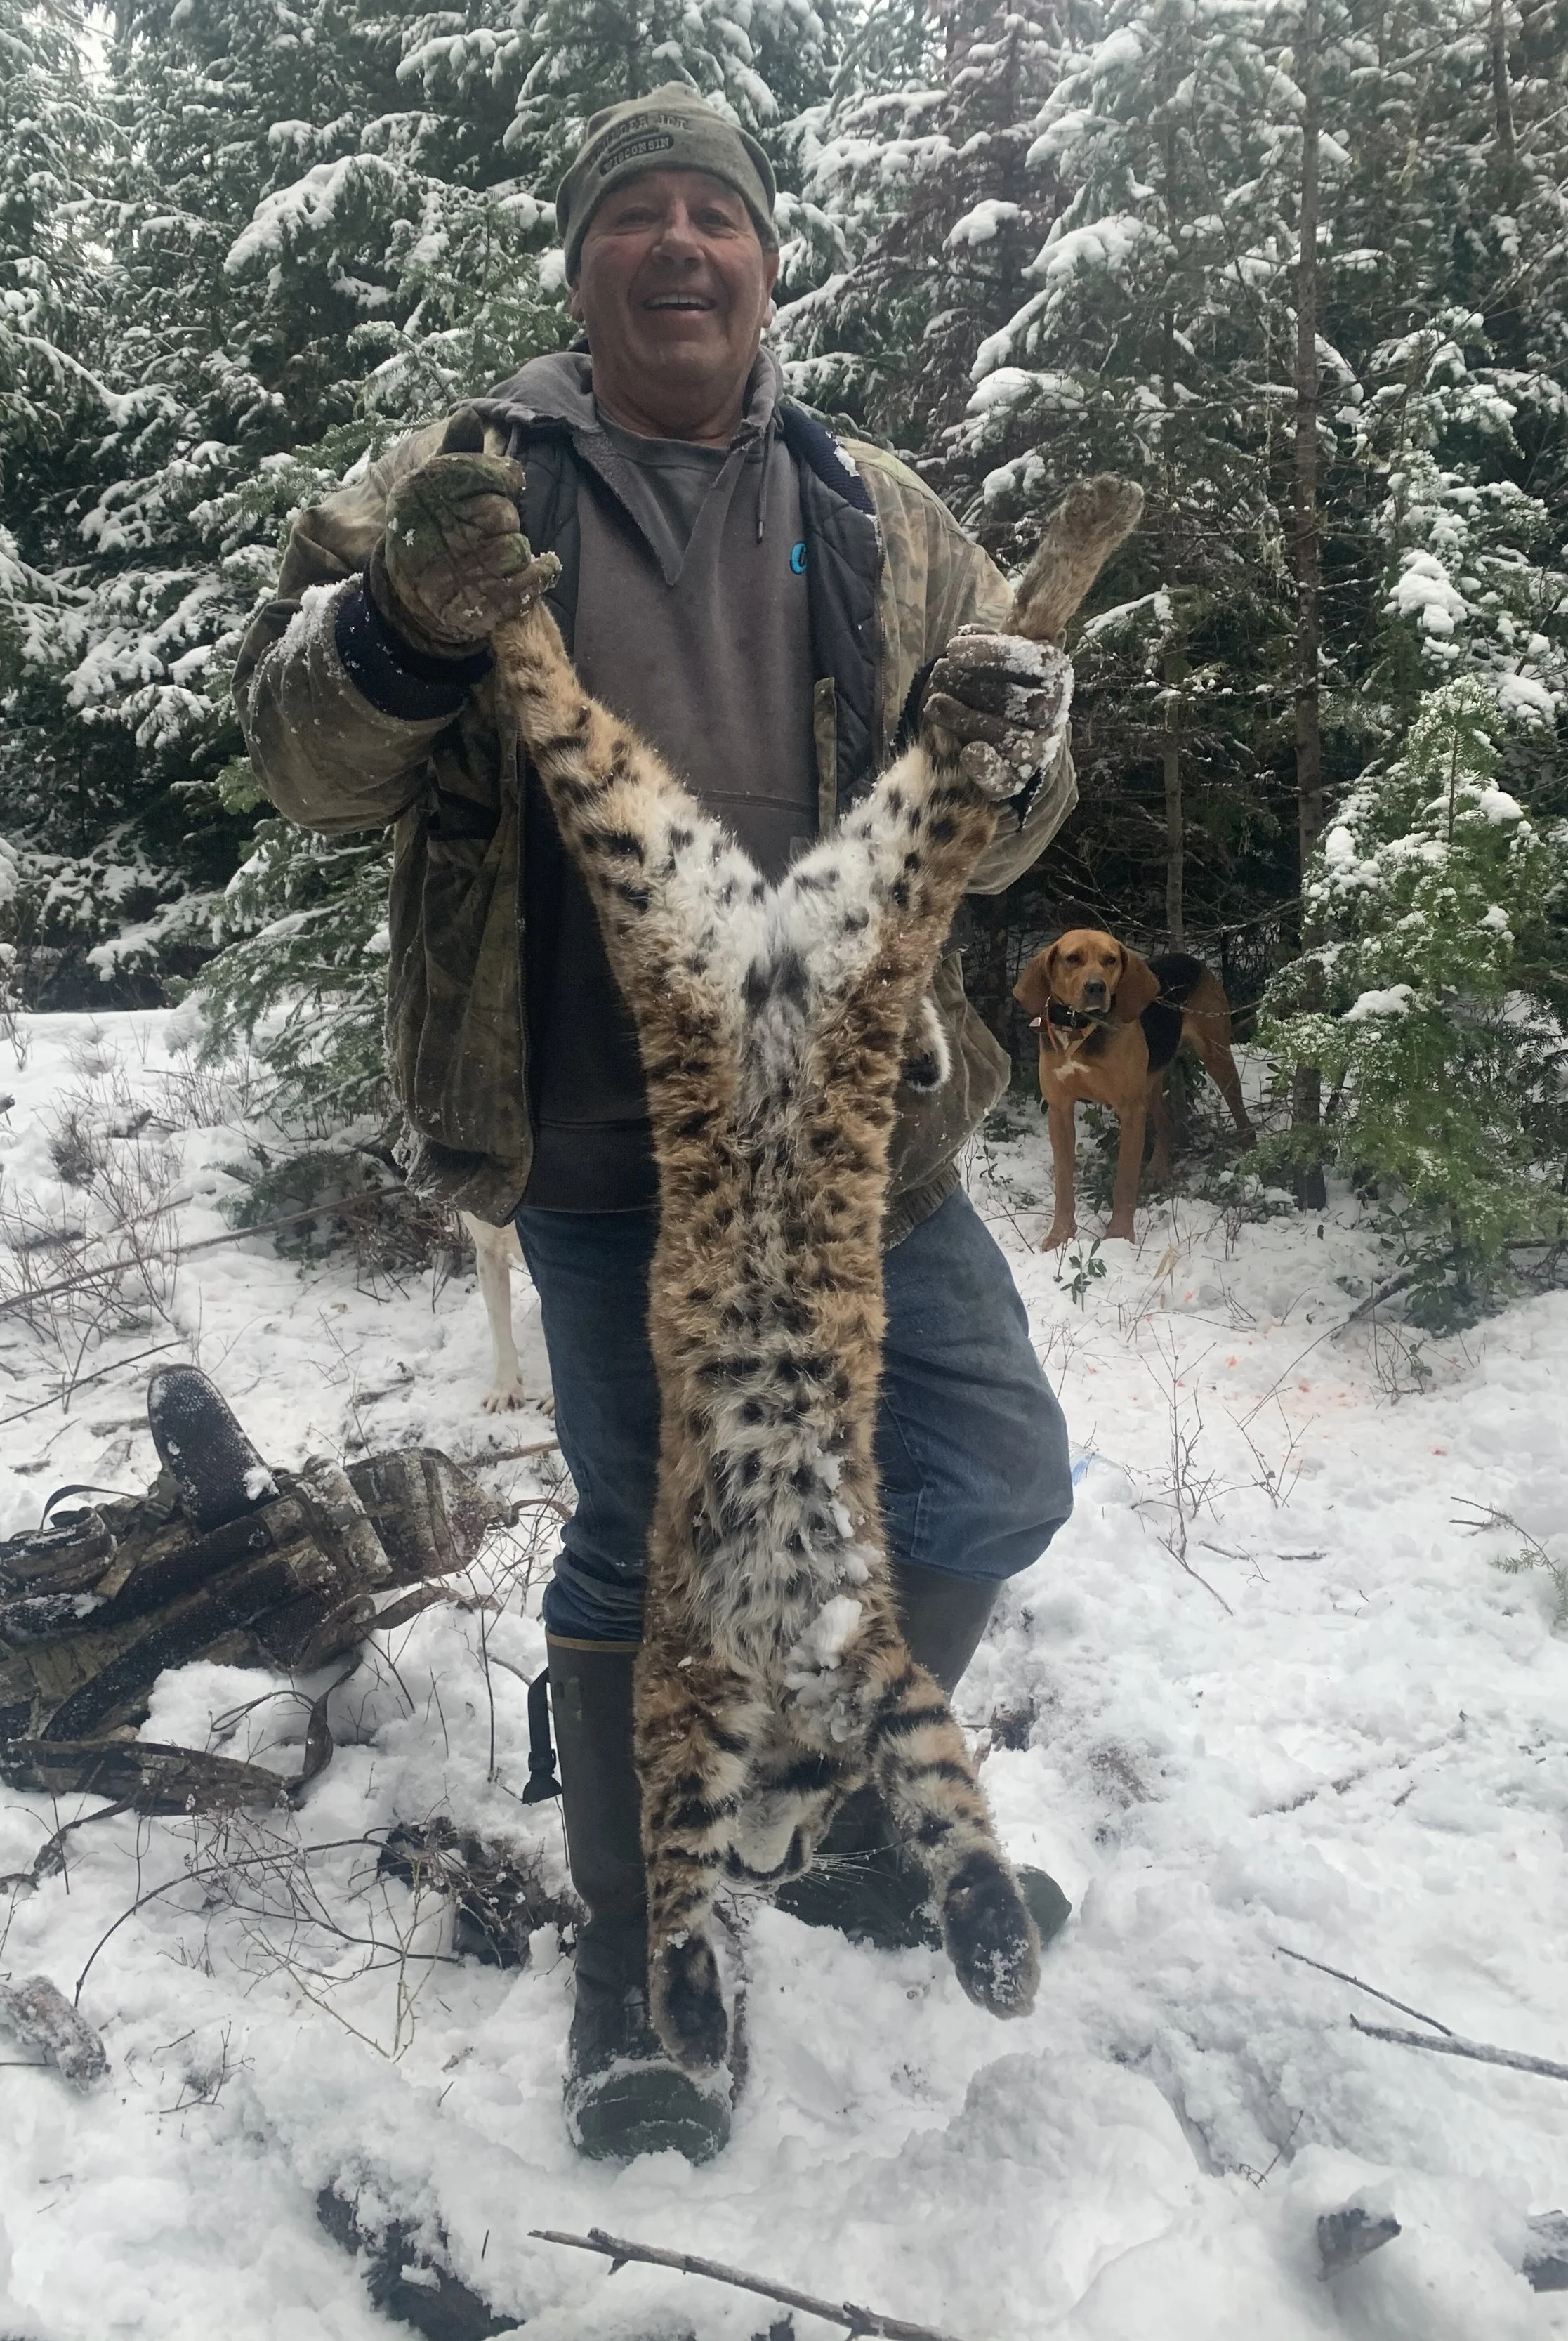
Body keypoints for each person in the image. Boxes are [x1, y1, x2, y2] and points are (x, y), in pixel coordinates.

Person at [235, 84, 1077, 2165]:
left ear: (767, 264)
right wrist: (404, 625)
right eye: (641, 218)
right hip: (616, 1135)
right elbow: (296, 752)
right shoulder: (457, 479)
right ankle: (641, 1956)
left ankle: (858, 1816)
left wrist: (1032, 742)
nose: (682, 245)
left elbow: (1004, 808)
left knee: (986, 1473)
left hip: (870, 1116)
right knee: (647, 1544)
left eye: (718, 212)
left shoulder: (876, 501)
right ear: (585, 265)